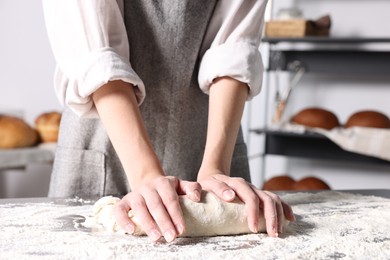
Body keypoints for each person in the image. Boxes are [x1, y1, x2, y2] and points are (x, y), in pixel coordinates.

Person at [42, 0, 295, 242]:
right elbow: (96, 56)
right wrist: (144, 174)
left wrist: (215, 167)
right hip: (103, 133)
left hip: (213, 138)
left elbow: (234, 47)